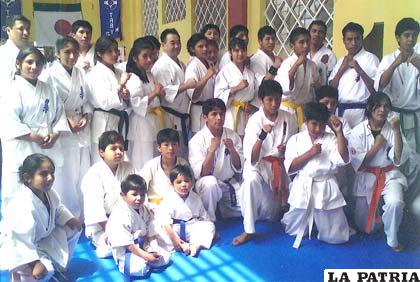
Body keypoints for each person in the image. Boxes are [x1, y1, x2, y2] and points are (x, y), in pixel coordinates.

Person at [0, 47, 69, 215]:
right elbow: (8, 120)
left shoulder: (49, 88)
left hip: (45, 143)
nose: (34, 66)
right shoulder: (10, 89)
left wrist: (56, 134)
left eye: (38, 63)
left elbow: (60, 115)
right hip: (22, 144)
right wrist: (33, 137)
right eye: (29, 62)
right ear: (18, 64)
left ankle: (47, 221)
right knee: (20, 184)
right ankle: (16, 230)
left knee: (46, 183)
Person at [233, 80, 298, 246]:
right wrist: (262, 135)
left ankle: (281, 207)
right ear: (262, 100)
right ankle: (248, 229)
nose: (274, 103)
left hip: (279, 166)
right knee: (250, 182)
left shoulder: (289, 118)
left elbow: (295, 144)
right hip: (258, 165)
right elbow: (252, 158)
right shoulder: (255, 120)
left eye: (277, 99)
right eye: (269, 99)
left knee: (271, 215)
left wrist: (286, 150)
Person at [1, 154, 81, 281]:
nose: (50, 178)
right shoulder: (22, 204)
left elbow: (58, 208)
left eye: (52, 173)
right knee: (42, 270)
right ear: (27, 178)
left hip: (40, 238)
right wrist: (35, 262)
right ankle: (32, 270)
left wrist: (70, 219)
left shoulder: (48, 192)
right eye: (43, 174)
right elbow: (20, 240)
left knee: (73, 229)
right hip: (18, 247)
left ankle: (57, 268)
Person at [282, 102, 350, 248]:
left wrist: (339, 133)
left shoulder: (331, 139)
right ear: (305, 122)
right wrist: (310, 153)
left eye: (322, 125)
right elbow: (290, 167)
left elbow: (343, 159)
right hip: (303, 186)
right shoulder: (295, 140)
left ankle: (323, 225)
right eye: (314, 124)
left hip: (326, 187)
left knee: (335, 237)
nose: (318, 129)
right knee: (293, 231)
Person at [348, 92, 407, 251]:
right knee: (365, 227)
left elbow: (398, 157)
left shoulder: (392, 128)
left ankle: (392, 240)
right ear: (369, 108)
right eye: (378, 106)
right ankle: (381, 218)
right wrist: (377, 145)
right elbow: (359, 165)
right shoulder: (357, 131)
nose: (382, 109)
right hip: (367, 176)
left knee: (395, 202)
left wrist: (396, 131)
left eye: (386, 106)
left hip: (389, 175)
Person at [374, 18, 420, 221]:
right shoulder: (387, 58)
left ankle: (411, 207)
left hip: (415, 116)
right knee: (393, 162)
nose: (411, 40)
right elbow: (379, 86)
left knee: (415, 162)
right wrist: (396, 63)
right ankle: (389, 206)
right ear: (398, 38)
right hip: (392, 117)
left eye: (414, 36)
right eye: (407, 35)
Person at [41, 37, 91, 219]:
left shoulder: (79, 72)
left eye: (75, 52)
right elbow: (47, 104)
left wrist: (86, 114)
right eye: (66, 52)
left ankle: (85, 215)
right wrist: (65, 120)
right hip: (62, 129)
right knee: (67, 175)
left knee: (84, 171)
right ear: (57, 54)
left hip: (82, 125)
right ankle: (68, 216)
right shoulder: (48, 74)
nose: (71, 56)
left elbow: (87, 98)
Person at [81, 131, 136, 258]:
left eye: (121, 149)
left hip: (127, 220)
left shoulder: (129, 167)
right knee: (110, 248)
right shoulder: (94, 174)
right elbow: (94, 209)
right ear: (101, 152)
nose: (118, 152)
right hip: (102, 226)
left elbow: (139, 192)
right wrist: (112, 231)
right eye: (113, 148)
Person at [189, 98, 243, 222]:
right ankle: (209, 221)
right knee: (210, 183)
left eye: (221, 114)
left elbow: (239, 167)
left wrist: (232, 150)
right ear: (205, 117)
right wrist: (212, 151)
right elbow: (203, 173)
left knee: (247, 211)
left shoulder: (232, 135)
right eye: (214, 114)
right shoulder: (197, 141)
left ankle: (222, 209)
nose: (219, 118)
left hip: (228, 183)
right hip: (207, 186)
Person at [106, 174, 170, 278]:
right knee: (139, 269)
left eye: (143, 194)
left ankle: (148, 260)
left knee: (166, 257)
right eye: (134, 194)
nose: (139, 198)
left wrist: (155, 249)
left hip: (143, 245)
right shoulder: (119, 214)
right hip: (127, 250)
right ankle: (144, 261)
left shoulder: (144, 209)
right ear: (123, 195)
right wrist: (147, 256)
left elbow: (151, 232)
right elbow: (128, 245)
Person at [151, 28, 196, 158]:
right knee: (171, 152)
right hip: (169, 116)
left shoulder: (181, 63)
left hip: (181, 115)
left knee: (181, 152)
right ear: (163, 45)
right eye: (172, 43)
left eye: (178, 42)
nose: (176, 46)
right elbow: (163, 91)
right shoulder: (161, 66)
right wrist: (186, 85)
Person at [86, 35, 131, 162]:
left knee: (119, 161)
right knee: (102, 161)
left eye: (116, 50)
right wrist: (121, 85)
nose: (115, 54)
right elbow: (104, 102)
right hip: (103, 121)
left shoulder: (118, 72)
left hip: (118, 120)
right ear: (99, 53)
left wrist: (126, 97)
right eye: (109, 51)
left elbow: (122, 100)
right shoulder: (95, 74)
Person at [125, 37, 165, 171]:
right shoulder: (133, 77)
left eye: (151, 56)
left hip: (153, 121)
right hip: (141, 124)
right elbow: (136, 104)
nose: (149, 60)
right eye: (145, 56)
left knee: (154, 158)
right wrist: (154, 93)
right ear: (135, 58)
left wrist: (159, 94)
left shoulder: (149, 74)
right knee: (142, 159)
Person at [329, 22, 379, 128]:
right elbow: (331, 89)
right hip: (340, 111)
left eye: (357, 39)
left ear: (362, 39)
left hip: (361, 111)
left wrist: (359, 69)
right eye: (349, 39)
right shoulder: (340, 61)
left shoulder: (371, 58)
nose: (353, 43)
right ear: (344, 41)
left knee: (358, 143)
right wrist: (341, 69)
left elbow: (375, 89)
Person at [159, 165, 215, 257]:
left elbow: (204, 217)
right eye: (179, 182)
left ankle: (195, 245)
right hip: (174, 229)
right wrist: (174, 239)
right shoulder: (168, 198)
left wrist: (211, 231)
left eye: (186, 181)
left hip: (191, 228)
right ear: (172, 184)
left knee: (210, 225)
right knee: (159, 232)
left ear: (192, 182)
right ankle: (182, 245)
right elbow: (165, 223)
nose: (183, 185)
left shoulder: (195, 197)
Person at [275, 27, 320, 129]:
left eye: (308, 42)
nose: (306, 45)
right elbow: (285, 89)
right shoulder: (287, 63)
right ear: (292, 46)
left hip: (304, 110)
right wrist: (296, 65)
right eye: (301, 42)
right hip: (287, 110)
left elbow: (315, 90)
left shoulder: (312, 65)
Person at [215, 37, 258, 136]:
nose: (240, 54)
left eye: (243, 50)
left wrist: (252, 105)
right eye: (236, 51)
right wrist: (237, 88)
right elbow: (218, 97)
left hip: (248, 113)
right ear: (230, 52)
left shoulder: (250, 73)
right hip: (231, 113)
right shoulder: (225, 72)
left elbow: (257, 94)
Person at [140, 128, 190, 206]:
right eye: (166, 145)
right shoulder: (151, 165)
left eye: (174, 144)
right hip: (156, 206)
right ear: (159, 148)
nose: (171, 148)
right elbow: (140, 188)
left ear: (178, 146)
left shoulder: (183, 164)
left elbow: (190, 187)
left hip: (179, 206)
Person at [185, 33, 217, 134]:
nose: (204, 49)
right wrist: (206, 77)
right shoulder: (193, 66)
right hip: (199, 110)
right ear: (192, 49)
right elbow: (193, 94)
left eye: (206, 46)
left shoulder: (209, 63)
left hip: (211, 109)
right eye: (200, 46)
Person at [0, 15, 31, 84]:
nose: (26, 33)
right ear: (8, 30)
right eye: (21, 29)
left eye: (28, 29)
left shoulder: (31, 54)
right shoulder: (2, 54)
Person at [307, 20, 337, 85]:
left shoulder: (329, 55)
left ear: (325, 35)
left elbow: (331, 80)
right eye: (314, 31)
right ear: (308, 33)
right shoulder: (303, 52)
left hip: (320, 93)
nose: (317, 34)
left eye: (320, 32)